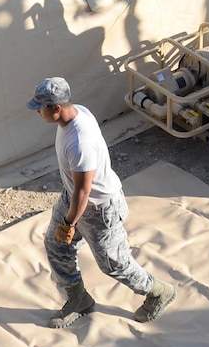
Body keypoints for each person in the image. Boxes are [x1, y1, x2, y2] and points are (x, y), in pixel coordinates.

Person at [26, 76, 176, 329]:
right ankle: (79, 299)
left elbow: (84, 192)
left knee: (115, 265)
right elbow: (78, 192)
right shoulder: (77, 111)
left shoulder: (79, 142)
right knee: (56, 245)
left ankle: (159, 291)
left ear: (56, 108)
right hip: (73, 197)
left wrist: (69, 223)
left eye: (40, 107)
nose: (38, 112)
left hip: (99, 209)